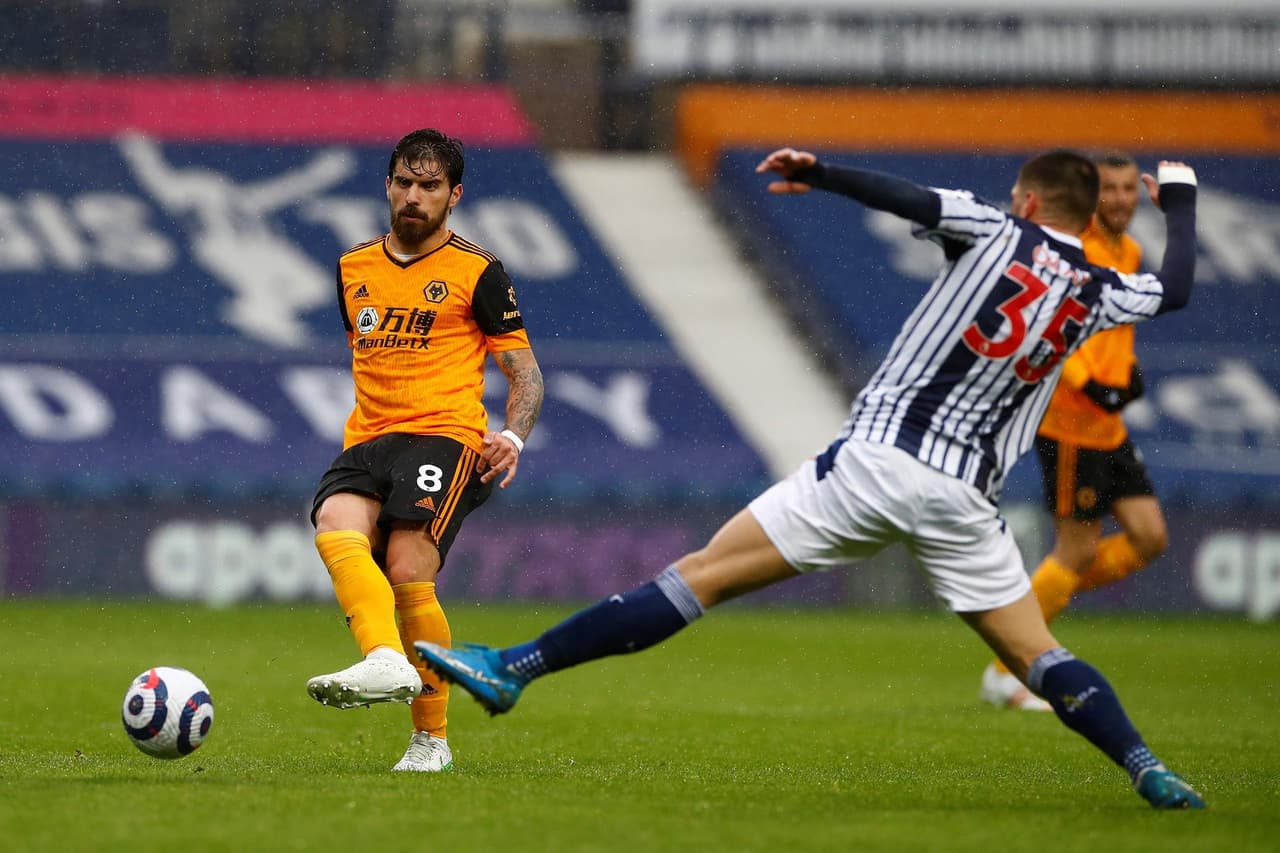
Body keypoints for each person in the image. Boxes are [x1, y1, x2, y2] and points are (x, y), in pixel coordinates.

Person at [417, 147, 1205, 809]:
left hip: (879, 460)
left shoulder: (997, 228)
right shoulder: (1100, 287)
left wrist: (819, 172)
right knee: (1037, 653)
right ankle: (1147, 766)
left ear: (1028, 198)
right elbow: (1173, 291)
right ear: (1084, 212)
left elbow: (911, 199)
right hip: (967, 496)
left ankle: (513, 667)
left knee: (702, 577)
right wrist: (1182, 201)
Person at [305, 128, 545, 774]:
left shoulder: (478, 272)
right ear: (388, 185)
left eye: (430, 186)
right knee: (335, 524)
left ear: (454, 195)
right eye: (405, 183)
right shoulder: (352, 267)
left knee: (409, 564)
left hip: (446, 433)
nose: (415, 196)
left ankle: (430, 739)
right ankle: (384, 657)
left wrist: (513, 435)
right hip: (369, 436)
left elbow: (526, 374)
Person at [980, 152, 1167, 711]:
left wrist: (1123, 379)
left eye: (1128, 189)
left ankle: (1031, 602)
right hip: (1068, 425)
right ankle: (1004, 669)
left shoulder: (1129, 251)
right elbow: (1063, 326)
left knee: (1149, 538)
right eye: (1109, 189)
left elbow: (1114, 333)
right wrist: (1092, 384)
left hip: (1107, 427)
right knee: (1076, 549)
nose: (1119, 200)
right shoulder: (1074, 248)